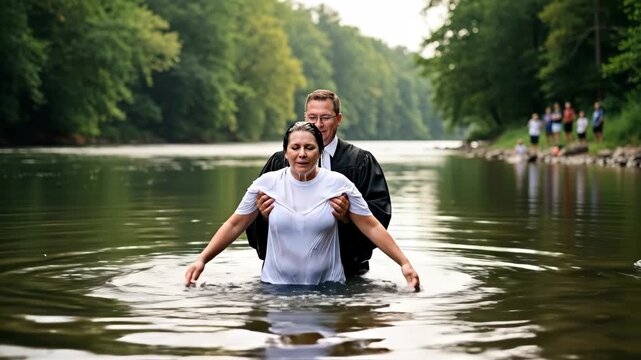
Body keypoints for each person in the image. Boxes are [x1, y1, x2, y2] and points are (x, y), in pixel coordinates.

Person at [184, 122, 420, 290]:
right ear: (285, 153)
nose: (302, 154)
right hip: (275, 289)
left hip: (330, 290)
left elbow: (372, 226)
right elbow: (235, 224)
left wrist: (404, 263)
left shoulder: (339, 184)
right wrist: (202, 259)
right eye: (295, 148)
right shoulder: (266, 184)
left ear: (319, 152)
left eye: (309, 148)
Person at [246, 89, 391, 278]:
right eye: (312, 117)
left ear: (338, 119)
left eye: (326, 118)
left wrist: (347, 217)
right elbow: (244, 220)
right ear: (304, 118)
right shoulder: (280, 162)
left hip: (347, 271)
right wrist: (263, 216)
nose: (318, 124)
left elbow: (377, 219)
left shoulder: (360, 162)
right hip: (286, 273)